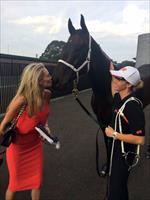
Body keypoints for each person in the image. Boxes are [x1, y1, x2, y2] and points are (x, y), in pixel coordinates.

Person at [0, 63, 52, 200]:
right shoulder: (21, 101)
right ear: (38, 80)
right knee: (14, 185)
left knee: (37, 182)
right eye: (47, 75)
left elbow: (43, 118)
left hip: (35, 147)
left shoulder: (47, 95)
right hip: (18, 149)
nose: (50, 77)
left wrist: (45, 129)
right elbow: (3, 126)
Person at [105, 66, 145, 200]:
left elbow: (140, 139)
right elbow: (113, 88)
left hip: (124, 156)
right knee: (118, 188)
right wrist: (112, 71)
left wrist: (114, 134)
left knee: (116, 191)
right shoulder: (119, 97)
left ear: (128, 84)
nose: (115, 80)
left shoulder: (133, 106)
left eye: (118, 78)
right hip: (114, 151)